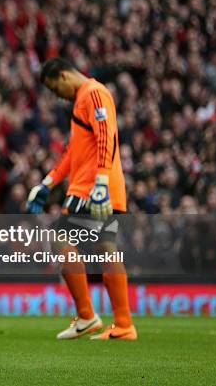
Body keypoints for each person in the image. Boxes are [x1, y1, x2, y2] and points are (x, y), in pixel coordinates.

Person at [26, 57, 137, 341]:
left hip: (92, 188)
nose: (56, 95)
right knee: (106, 248)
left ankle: (87, 316)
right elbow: (74, 152)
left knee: (61, 238)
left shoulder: (94, 93)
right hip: (103, 187)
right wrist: (47, 183)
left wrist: (99, 182)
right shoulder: (82, 100)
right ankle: (123, 325)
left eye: (54, 88)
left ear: (63, 77)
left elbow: (106, 136)